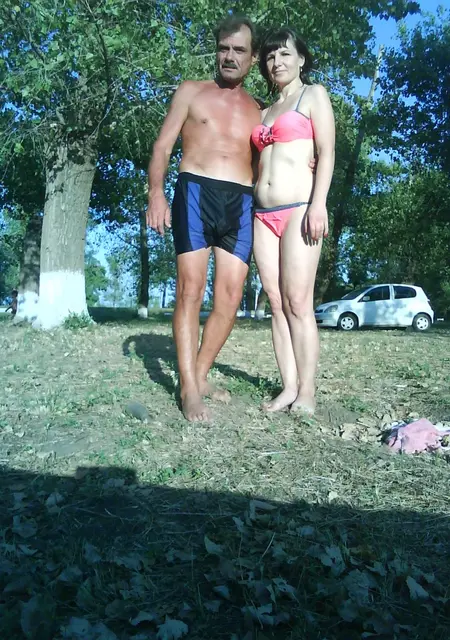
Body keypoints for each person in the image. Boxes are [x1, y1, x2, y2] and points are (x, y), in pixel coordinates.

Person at [146, 15, 261, 422]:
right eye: (223, 48)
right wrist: (156, 193)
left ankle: (198, 374)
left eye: (239, 50)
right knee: (189, 291)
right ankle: (189, 390)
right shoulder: (191, 91)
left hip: (241, 201)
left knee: (229, 299)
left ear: (253, 58)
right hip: (195, 191)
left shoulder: (260, 110)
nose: (230, 56)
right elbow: (162, 147)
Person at [252, 27, 335, 415]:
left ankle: (307, 391)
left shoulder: (313, 95)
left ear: (301, 59)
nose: (277, 62)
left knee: (298, 302)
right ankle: (288, 387)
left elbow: (327, 151)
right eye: (270, 57)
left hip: (300, 208)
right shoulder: (263, 111)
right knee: (276, 302)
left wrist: (319, 204)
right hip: (262, 215)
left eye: (285, 54)